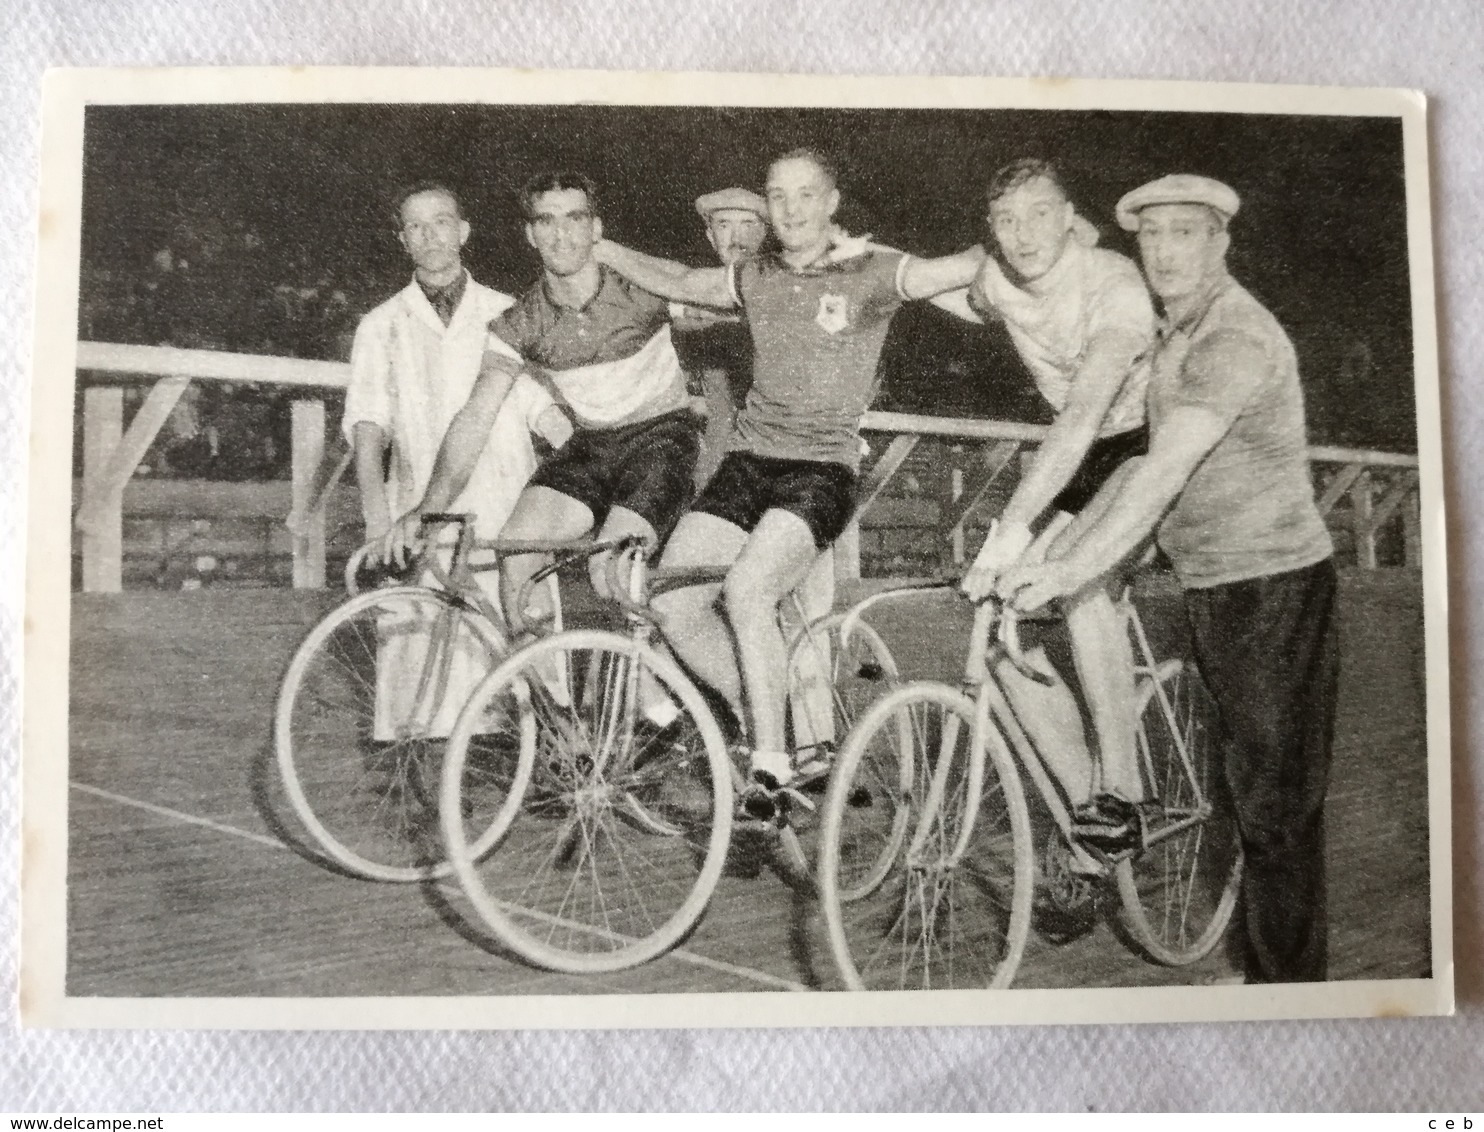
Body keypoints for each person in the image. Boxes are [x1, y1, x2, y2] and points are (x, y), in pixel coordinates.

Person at [998, 174, 1339, 983]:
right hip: (1212, 585)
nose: (1165, 251)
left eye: (1186, 234)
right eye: (1151, 237)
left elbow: (1164, 472)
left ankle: (1289, 999)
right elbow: (1136, 468)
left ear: (1222, 242)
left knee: (1274, 813)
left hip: (1274, 589)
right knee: (1252, 793)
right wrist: (1056, 557)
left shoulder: (1233, 338)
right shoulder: (1173, 330)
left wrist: (1070, 567)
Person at [594, 147, 986, 820]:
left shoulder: (875, 269)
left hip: (819, 474)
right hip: (748, 466)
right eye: (779, 197)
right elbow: (684, 279)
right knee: (672, 601)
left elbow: (968, 266)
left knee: (749, 591)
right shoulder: (759, 275)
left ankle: (772, 768)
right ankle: (760, 715)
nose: (792, 209)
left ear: (832, 202)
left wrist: (1049, 242)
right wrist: (603, 248)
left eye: (807, 195)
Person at [383, 171, 699, 632]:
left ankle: (654, 701)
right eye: (546, 221)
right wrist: (426, 509)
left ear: (596, 229)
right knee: (516, 548)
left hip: (662, 439)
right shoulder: (520, 322)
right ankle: (543, 693)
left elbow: (720, 300)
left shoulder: (642, 290)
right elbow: (475, 417)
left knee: (606, 568)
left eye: (575, 219)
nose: (561, 234)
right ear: (531, 235)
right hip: (594, 444)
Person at [951, 159, 1158, 852]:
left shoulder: (1116, 285)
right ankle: (1085, 816)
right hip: (1085, 456)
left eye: (1041, 214)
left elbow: (1081, 417)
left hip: (1150, 445)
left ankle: (1123, 795)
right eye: (1007, 220)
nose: (1023, 233)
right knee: (1003, 620)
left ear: (1072, 218)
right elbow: (965, 294)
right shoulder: (998, 277)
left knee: (1077, 579)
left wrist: (1010, 531)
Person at [342, 183, 569, 735]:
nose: (431, 236)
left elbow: (545, 410)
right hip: (420, 509)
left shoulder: (508, 313)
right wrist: (376, 513)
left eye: (442, 221)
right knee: (425, 676)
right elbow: (368, 427)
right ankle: (437, 783)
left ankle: (545, 760)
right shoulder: (380, 325)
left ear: (464, 231)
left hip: (505, 503)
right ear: (403, 240)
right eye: (416, 227)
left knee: (520, 650)